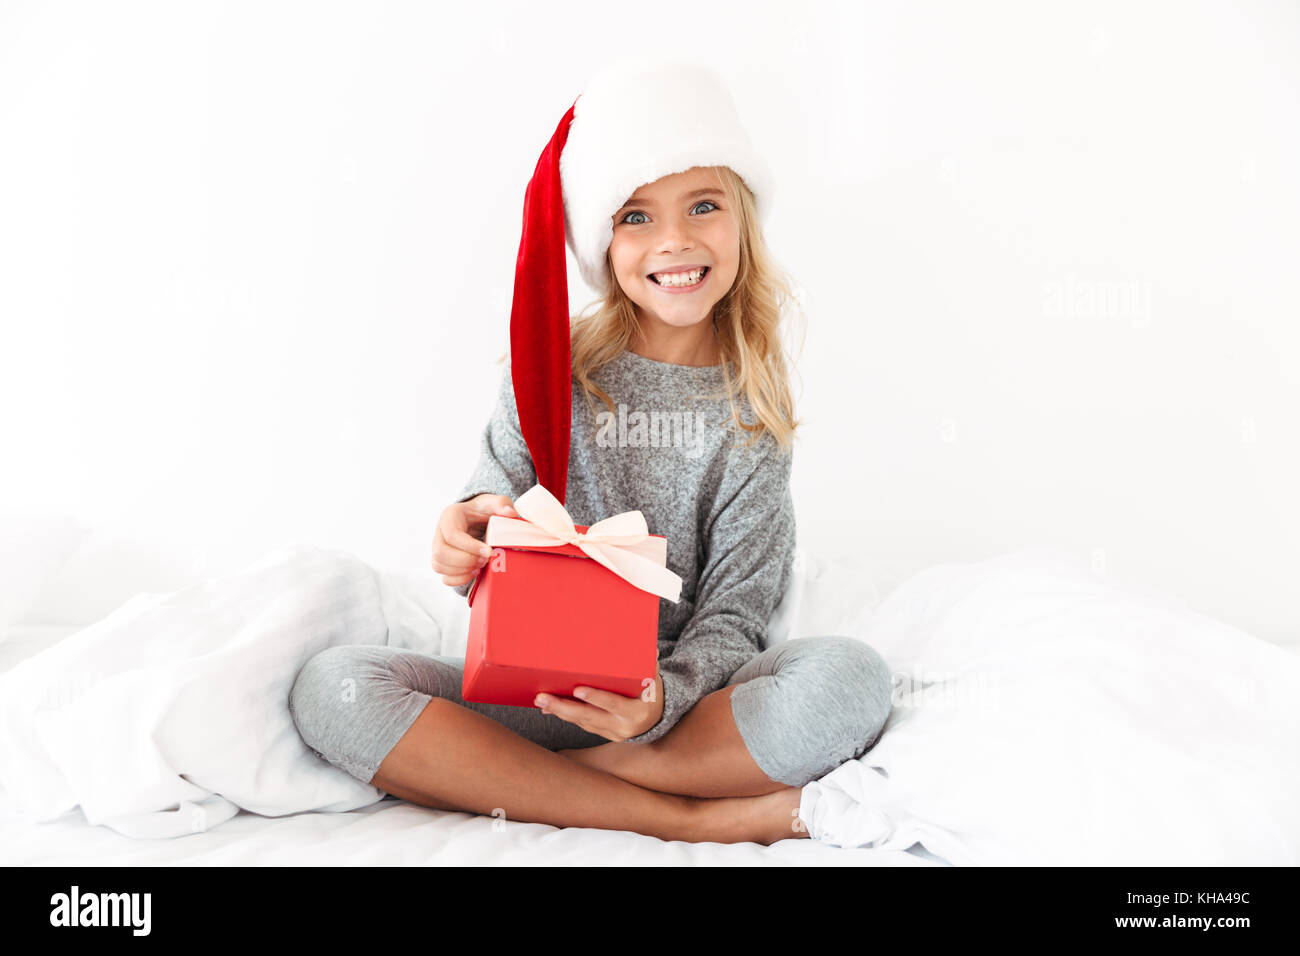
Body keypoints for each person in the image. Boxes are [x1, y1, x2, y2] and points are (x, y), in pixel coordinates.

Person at [288, 58, 892, 846]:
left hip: (673, 714)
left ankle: (531, 784)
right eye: (635, 217)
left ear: (741, 221)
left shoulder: (752, 415)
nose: (674, 240)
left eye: (703, 206)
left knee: (849, 681)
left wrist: (660, 700)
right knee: (335, 687)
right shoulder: (553, 368)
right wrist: (466, 524)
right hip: (530, 696)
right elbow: (492, 501)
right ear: (600, 240)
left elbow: (734, 616)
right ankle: (689, 820)